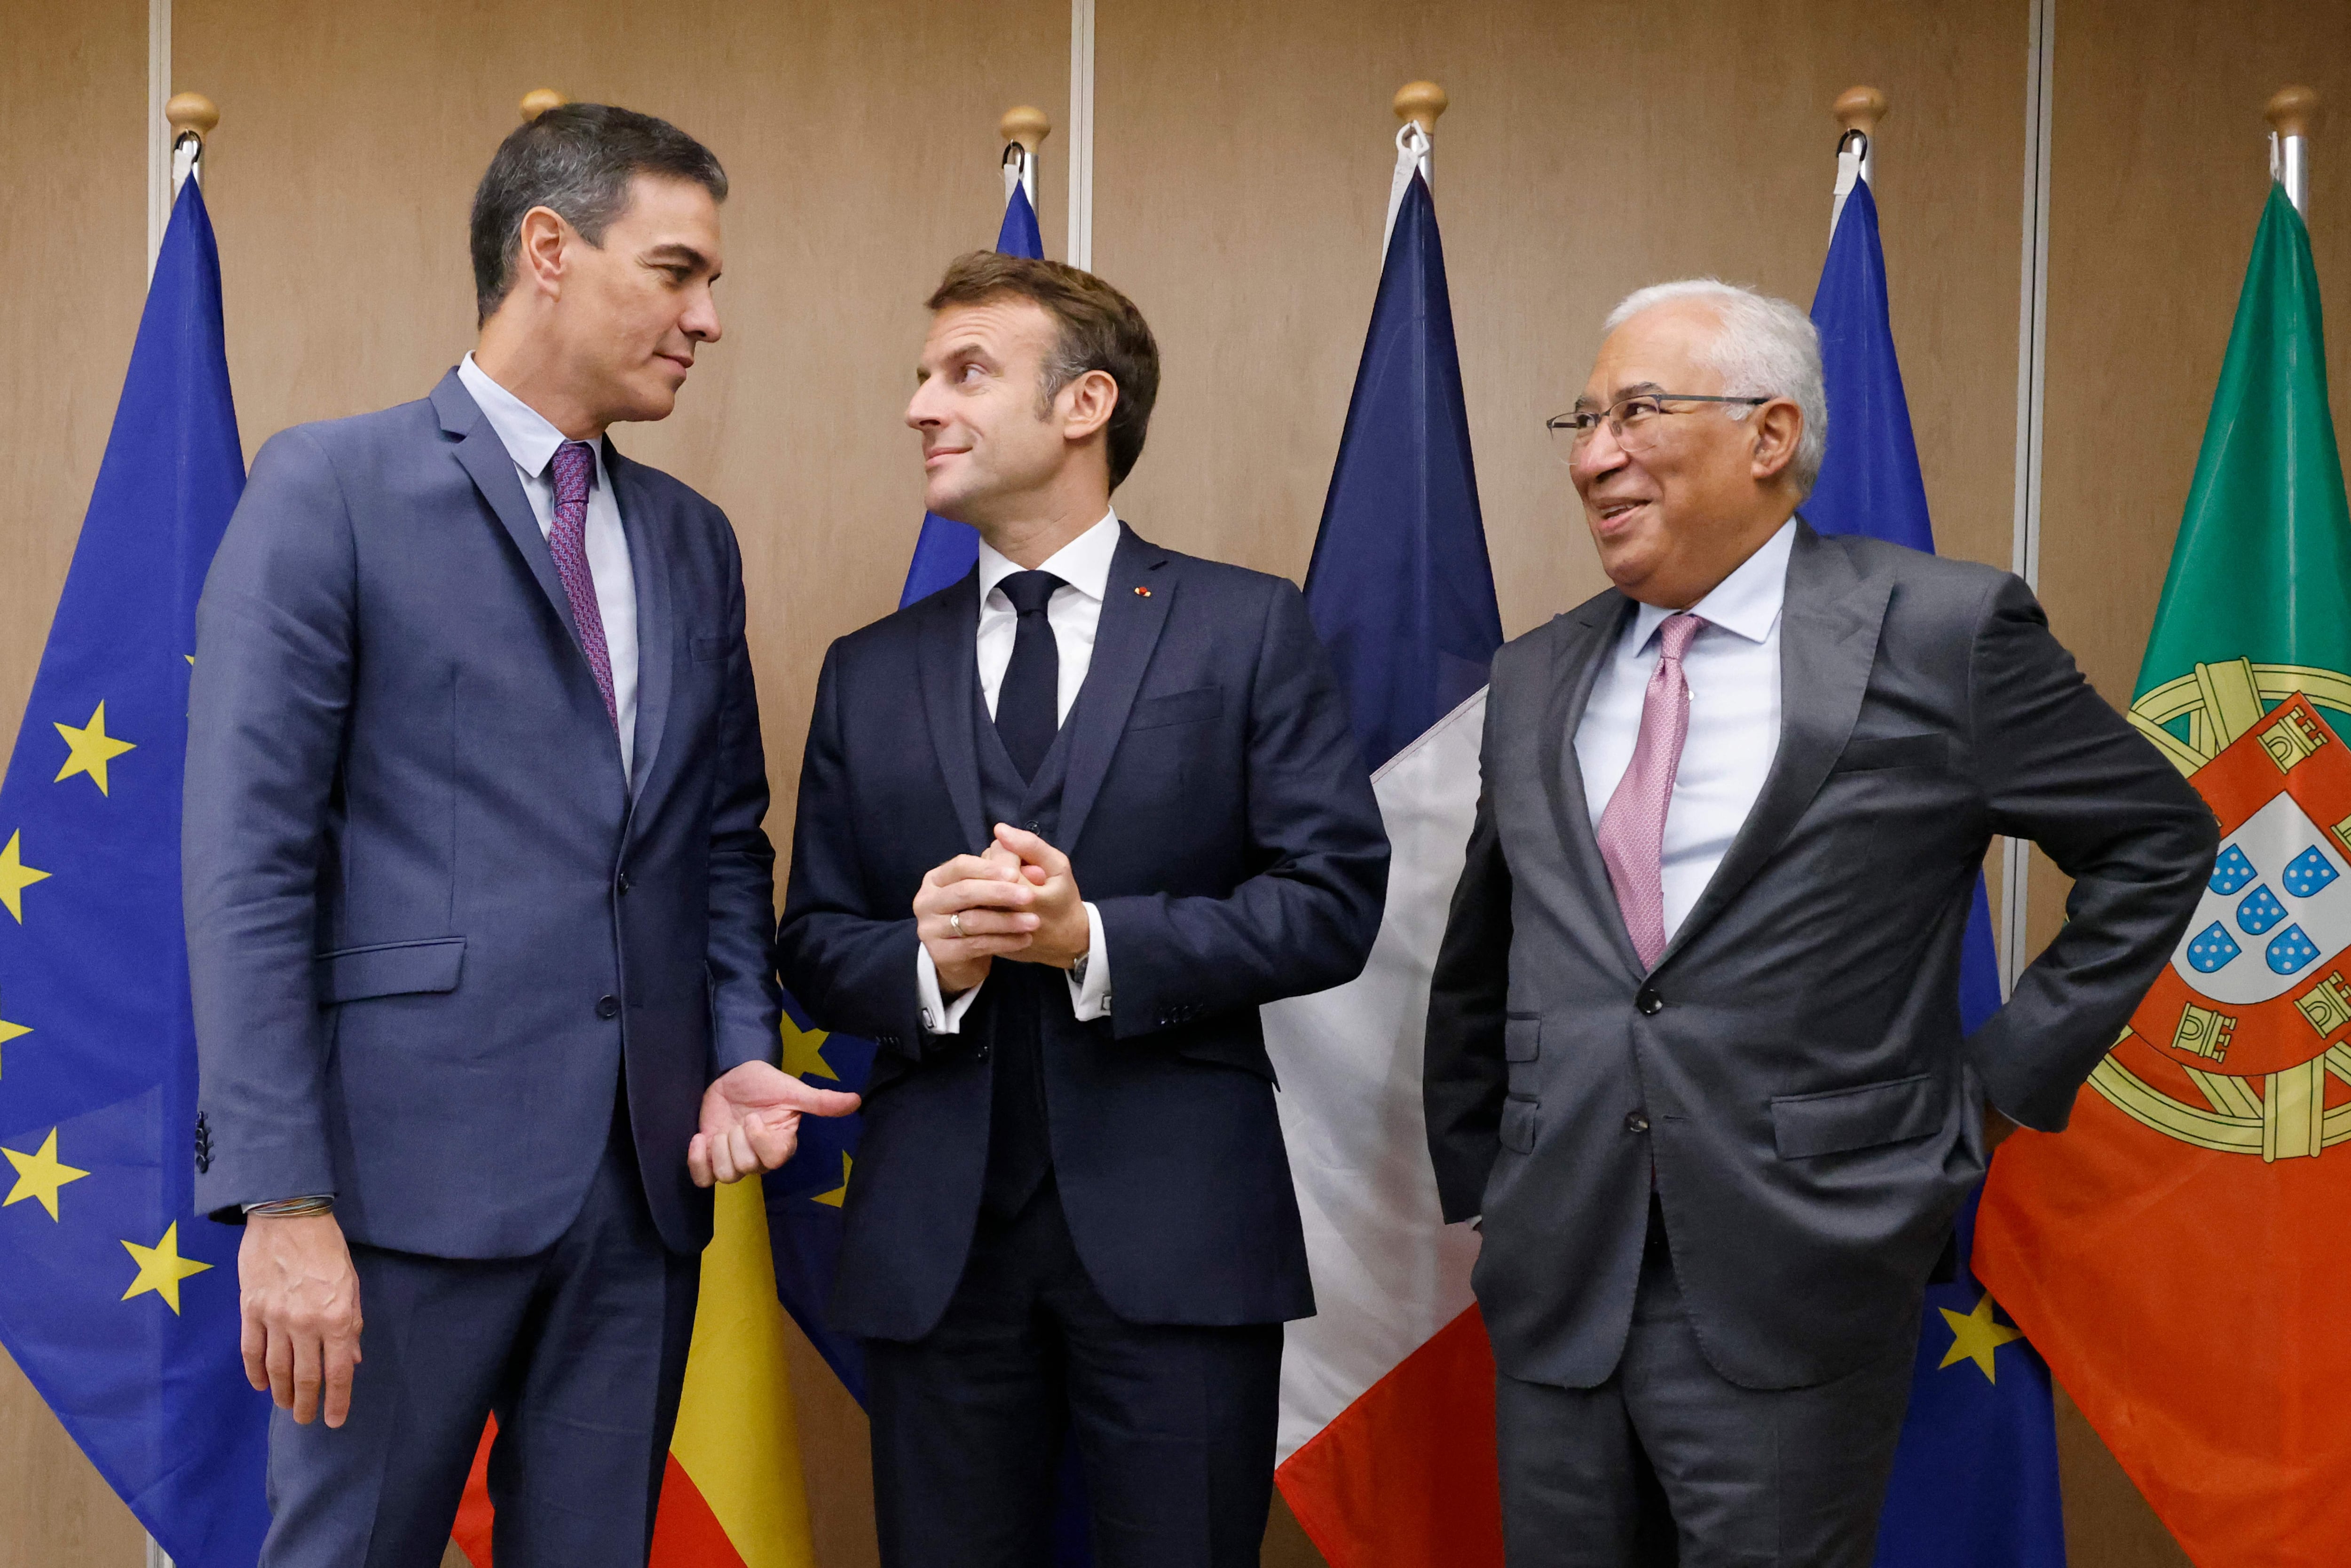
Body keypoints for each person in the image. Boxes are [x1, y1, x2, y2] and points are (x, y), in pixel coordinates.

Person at [1422, 279, 2216, 1567]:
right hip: (1562, 1262)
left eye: (1637, 412)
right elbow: (1487, 944)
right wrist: (1492, 1179)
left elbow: (2155, 838)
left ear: (1770, 435)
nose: (1592, 455)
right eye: (1583, 419)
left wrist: (1993, 1094)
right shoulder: (1537, 672)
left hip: (1799, 1259)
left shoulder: (1943, 632)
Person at [183, 104, 855, 1568]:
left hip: (640, 1205)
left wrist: (743, 1035)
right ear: (548, 250)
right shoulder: (328, 491)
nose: (710, 318)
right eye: (677, 272)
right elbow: (246, 871)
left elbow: (721, 842)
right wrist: (280, 1199)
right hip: (393, 1200)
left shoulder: (694, 539)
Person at [777, 252, 1389, 1566]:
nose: (921, 408)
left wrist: (1096, 942)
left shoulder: (1245, 629)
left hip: (1183, 1237)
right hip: (933, 1248)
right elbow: (814, 945)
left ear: (1085, 405)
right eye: (922, 376)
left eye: (967, 372)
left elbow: (1332, 902)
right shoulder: (868, 672)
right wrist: (926, 960)